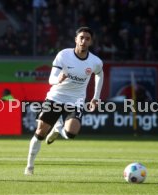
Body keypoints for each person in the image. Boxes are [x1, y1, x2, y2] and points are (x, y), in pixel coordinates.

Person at [24, 26, 104, 175]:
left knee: (71, 133)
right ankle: (29, 166)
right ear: (76, 39)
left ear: (91, 42)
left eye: (87, 39)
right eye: (81, 38)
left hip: (77, 100)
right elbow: (50, 79)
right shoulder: (64, 55)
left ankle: (57, 129)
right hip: (56, 97)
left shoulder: (95, 62)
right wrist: (58, 79)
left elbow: (100, 74)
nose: (84, 41)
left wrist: (95, 97)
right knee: (40, 132)